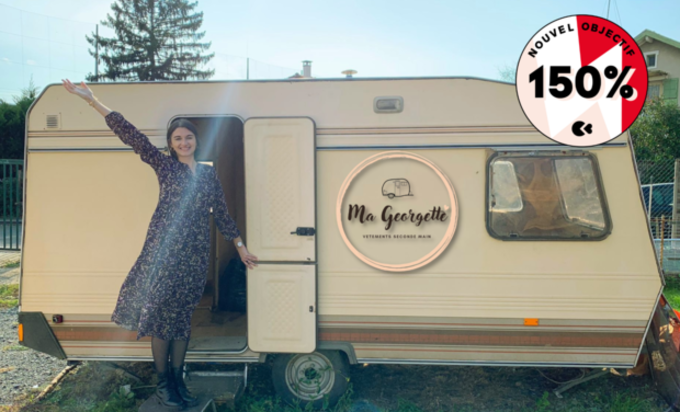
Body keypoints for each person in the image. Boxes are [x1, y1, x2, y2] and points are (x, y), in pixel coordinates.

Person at [62, 79, 259, 409]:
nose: (184, 142)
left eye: (188, 137)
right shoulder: (165, 166)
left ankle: (179, 383)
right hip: (164, 255)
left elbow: (222, 214)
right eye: (177, 138)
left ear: (196, 141)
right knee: (162, 321)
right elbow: (131, 136)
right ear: (171, 144)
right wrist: (92, 100)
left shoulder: (208, 175)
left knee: (181, 320)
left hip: (195, 257)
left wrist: (240, 247)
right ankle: (163, 385)